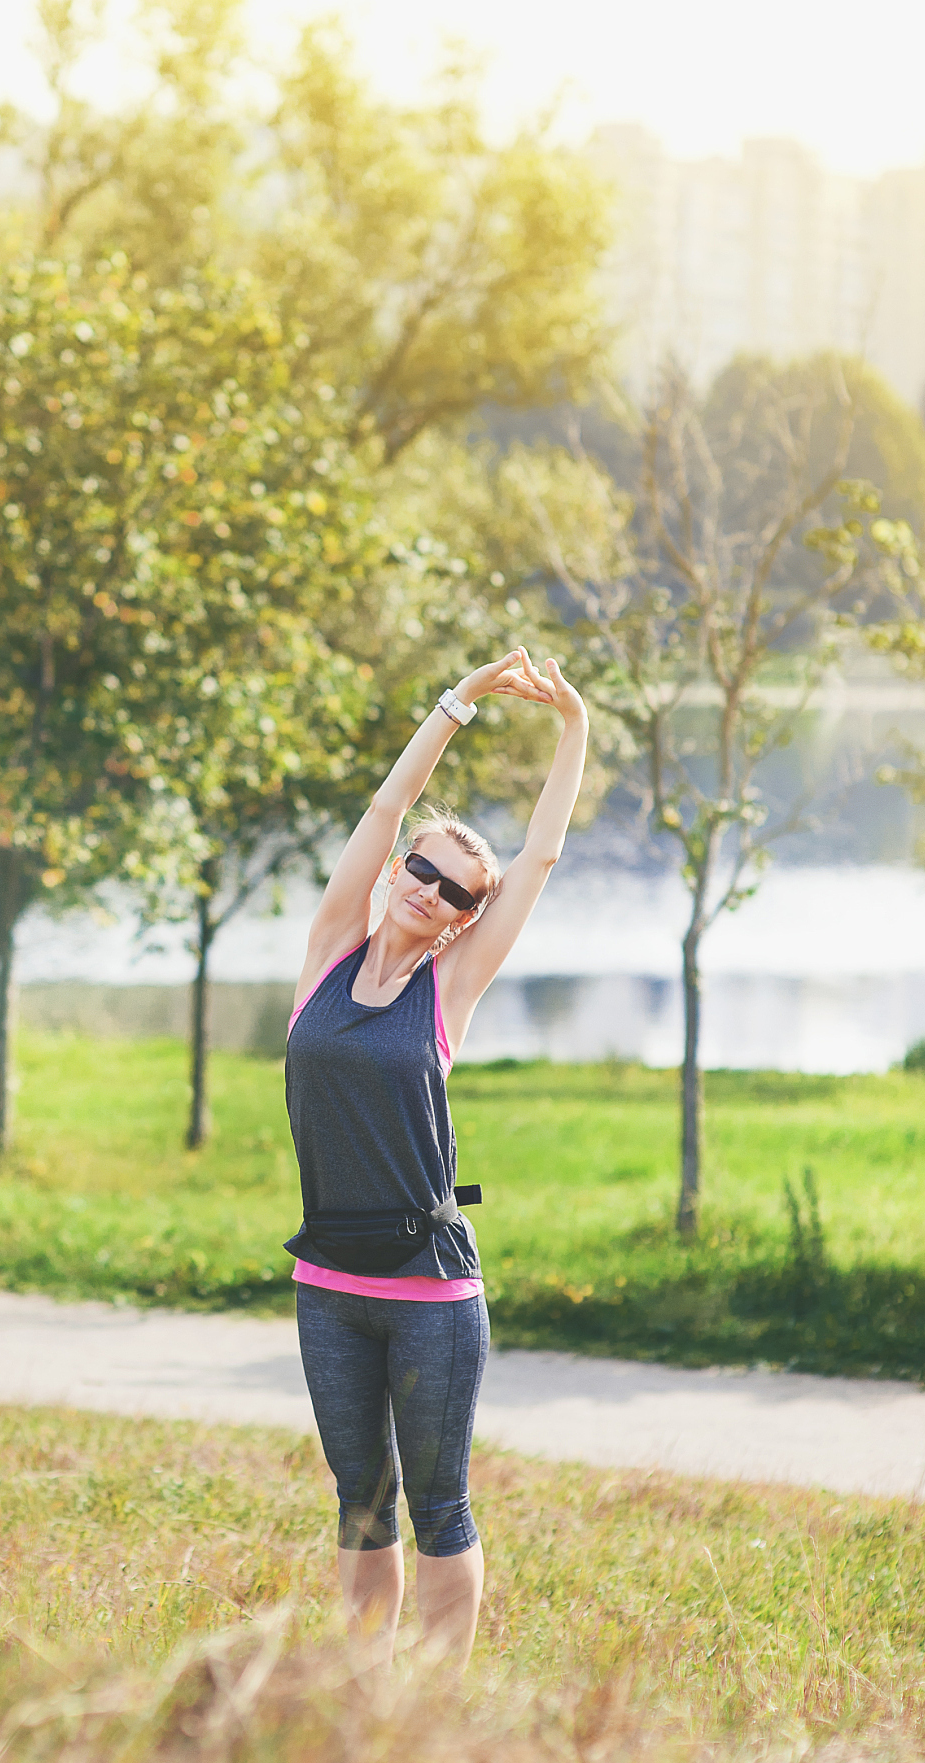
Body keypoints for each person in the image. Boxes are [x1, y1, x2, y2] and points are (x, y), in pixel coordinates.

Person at [284, 645, 588, 1673]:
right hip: (326, 1283)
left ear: (466, 917)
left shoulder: (445, 991)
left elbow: (537, 861)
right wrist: (457, 702)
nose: (425, 888)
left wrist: (572, 729)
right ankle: (365, 1684)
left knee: (439, 1502)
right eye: (418, 865)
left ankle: (434, 1694)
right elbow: (382, 808)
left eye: (454, 890)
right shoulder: (330, 949)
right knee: (359, 1500)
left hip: (428, 1290)